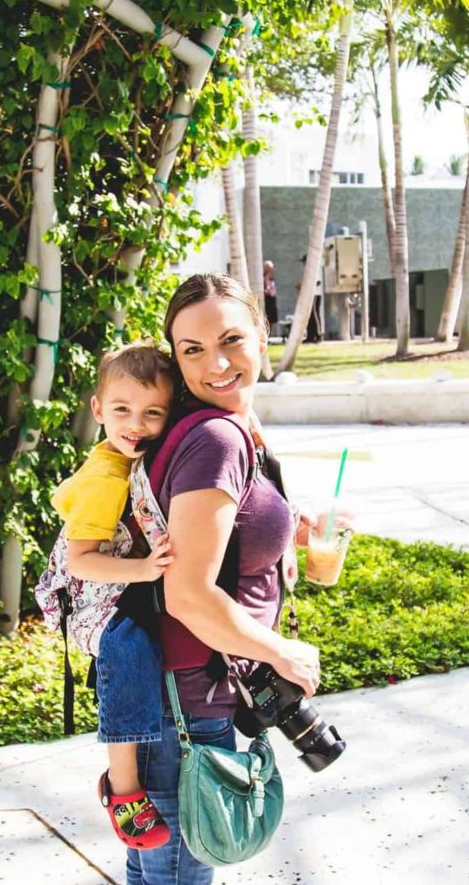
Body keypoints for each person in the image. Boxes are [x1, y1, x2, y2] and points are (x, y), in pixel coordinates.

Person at [126, 273, 338, 885]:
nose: (215, 364)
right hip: (188, 708)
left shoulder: (228, 427)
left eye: (230, 340)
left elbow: (216, 532)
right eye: (191, 350)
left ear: (262, 337)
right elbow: (187, 593)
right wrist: (284, 652)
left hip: (179, 701)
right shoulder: (216, 439)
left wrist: (291, 524)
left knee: (157, 875)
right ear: (175, 358)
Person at [51, 345, 176, 851]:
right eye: (122, 410)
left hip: (120, 585)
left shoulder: (131, 458)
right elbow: (80, 561)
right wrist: (145, 569)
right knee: (129, 648)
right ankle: (124, 789)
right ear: (97, 408)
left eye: (152, 413)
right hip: (95, 596)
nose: (136, 424)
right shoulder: (106, 477)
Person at [263, 259, 279, 333]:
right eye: (269, 268)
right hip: (266, 300)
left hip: (272, 299)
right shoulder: (261, 278)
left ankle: (269, 333)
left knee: (272, 318)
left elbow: (273, 289)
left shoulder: (272, 278)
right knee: (266, 318)